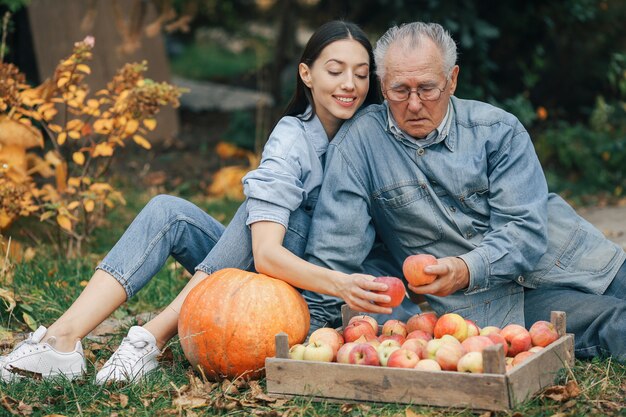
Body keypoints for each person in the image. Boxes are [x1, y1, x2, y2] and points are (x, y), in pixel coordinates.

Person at [0, 20, 392, 384]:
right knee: (169, 211)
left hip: (310, 297)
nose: (350, 85)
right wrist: (343, 283)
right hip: (276, 273)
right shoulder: (293, 140)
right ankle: (63, 339)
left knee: (260, 216)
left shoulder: (373, 132)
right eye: (335, 70)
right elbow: (267, 255)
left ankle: (150, 338)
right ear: (306, 74)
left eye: (360, 74)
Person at [303, 22, 626, 362]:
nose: (414, 104)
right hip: (498, 307)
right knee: (614, 322)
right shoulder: (359, 147)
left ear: (452, 79)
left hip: (572, 258)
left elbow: (525, 232)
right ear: (382, 85)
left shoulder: (498, 130)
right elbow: (335, 250)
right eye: (400, 90)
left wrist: (464, 268)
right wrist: (312, 339)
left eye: (427, 88)